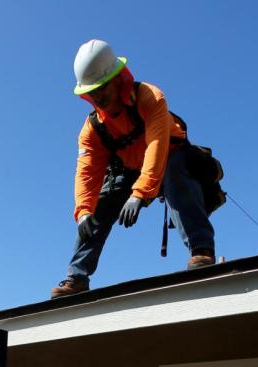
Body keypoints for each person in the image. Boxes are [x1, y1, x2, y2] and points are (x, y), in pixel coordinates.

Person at [51, 39, 217, 298]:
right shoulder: (93, 129)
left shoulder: (150, 98)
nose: (98, 99)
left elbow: (156, 147)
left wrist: (140, 194)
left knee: (174, 171)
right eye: (92, 94)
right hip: (129, 170)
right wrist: (83, 211)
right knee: (98, 204)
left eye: (102, 91)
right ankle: (77, 276)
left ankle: (202, 250)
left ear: (117, 79)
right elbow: (87, 172)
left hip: (169, 157)